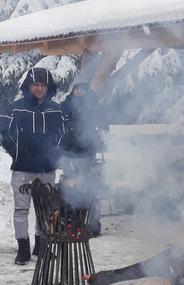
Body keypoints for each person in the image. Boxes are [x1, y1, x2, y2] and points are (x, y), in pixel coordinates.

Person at [0, 67, 66, 265]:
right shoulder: (16, 107)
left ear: (48, 87)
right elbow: (3, 130)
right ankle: (23, 248)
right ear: (28, 86)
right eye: (36, 84)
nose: (39, 88)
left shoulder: (55, 109)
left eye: (43, 85)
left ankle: (41, 247)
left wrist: (55, 153)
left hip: (47, 168)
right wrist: (16, 150)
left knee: (45, 210)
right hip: (22, 168)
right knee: (21, 209)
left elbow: (64, 134)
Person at [60, 82, 108, 236]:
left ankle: (93, 224)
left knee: (91, 189)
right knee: (69, 189)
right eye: (77, 89)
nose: (80, 92)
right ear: (73, 90)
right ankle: (71, 222)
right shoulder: (64, 106)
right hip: (68, 154)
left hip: (88, 155)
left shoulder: (94, 107)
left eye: (83, 90)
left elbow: (103, 128)